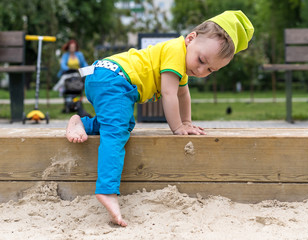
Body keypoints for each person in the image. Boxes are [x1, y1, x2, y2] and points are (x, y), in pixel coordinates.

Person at [66, 10, 254, 227]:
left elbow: (184, 94)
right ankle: (107, 189)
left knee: (124, 124)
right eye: (201, 60)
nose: (201, 70)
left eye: (210, 69)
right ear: (190, 38)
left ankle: (82, 123)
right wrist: (177, 128)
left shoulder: (182, 63)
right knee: (116, 132)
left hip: (109, 78)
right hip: (112, 78)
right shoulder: (175, 50)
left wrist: (187, 122)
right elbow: (169, 93)